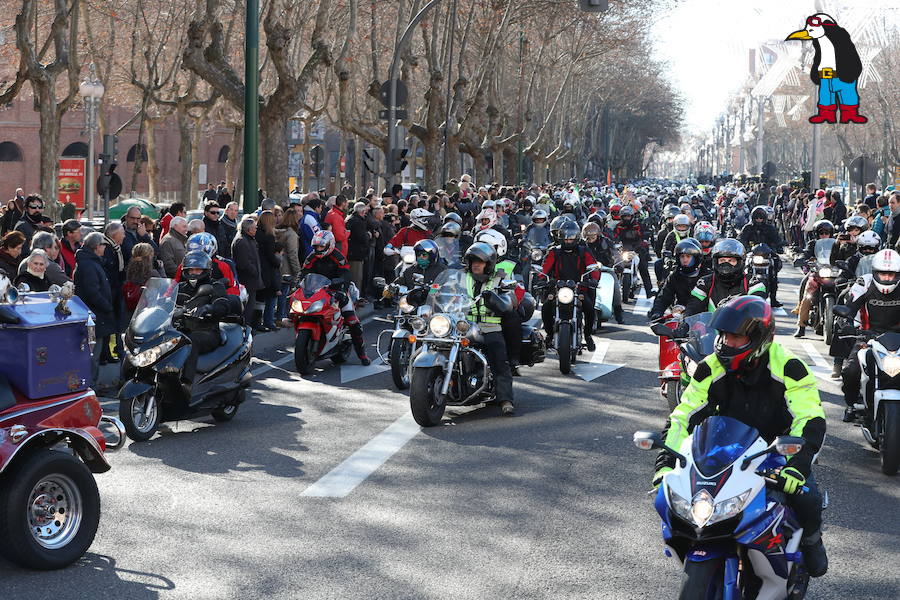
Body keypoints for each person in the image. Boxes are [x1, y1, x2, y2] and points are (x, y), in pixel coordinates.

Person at [653, 295, 828, 577]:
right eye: (722, 335)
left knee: (807, 496)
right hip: (727, 449)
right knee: (687, 502)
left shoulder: (789, 367)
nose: (725, 343)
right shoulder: (711, 367)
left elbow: (810, 418)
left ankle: (811, 541)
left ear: (758, 339)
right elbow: (684, 415)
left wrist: (798, 464)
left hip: (778, 450)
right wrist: (666, 460)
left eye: (735, 337)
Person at [839, 249, 900, 422]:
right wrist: (847, 326)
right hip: (868, 338)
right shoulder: (864, 284)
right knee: (850, 370)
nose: (887, 278)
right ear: (874, 272)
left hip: (898, 339)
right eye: (883, 273)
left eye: (891, 274)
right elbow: (848, 311)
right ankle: (851, 404)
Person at [461, 242, 517, 414]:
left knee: (499, 358)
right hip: (463, 326)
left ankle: (505, 399)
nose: (475, 264)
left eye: (480, 261)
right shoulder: (461, 276)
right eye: (472, 261)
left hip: (489, 327)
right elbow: (443, 291)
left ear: (489, 264)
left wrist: (495, 299)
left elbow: (510, 301)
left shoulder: (500, 279)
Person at [301, 230, 370, 365]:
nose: (318, 249)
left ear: (329, 245)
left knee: (352, 321)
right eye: (316, 247)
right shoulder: (312, 256)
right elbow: (303, 272)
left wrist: (340, 284)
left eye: (321, 246)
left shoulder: (338, 256)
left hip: (338, 290)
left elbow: (346, 275)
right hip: (318, 290)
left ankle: (362, 355)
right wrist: (297, 284)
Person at [176, 251, 235, 397]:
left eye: (198, 269)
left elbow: (223, 305)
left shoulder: (214, 286)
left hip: (207, 331)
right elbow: (165, 302)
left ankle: (186, 384)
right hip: (182, 329)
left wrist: (209, 308)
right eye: (191, 269)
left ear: (206, 270)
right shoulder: (180, 287)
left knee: (191, 342)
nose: (194, 273)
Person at [541, 220, 600, 352]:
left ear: (577, 237)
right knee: (546, 308)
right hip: (558, 289)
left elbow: (593, 267)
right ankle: (550, 335)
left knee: (590, 309)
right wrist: (542, 279)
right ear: (560, 237)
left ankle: (588, 335)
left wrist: (593, 279)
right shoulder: (554, 252)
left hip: (579, 288)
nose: (568, 240)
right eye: (565, 237)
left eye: (571, 237)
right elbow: (544, 269)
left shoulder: (583, 251)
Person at [73, 232, 115, 385]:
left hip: (97, 316)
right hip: (95, 316)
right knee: (93, 355)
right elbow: (92, 292)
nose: (105, 248)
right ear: (97, 247)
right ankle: (91, 387)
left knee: (94, 354)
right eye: (103, 245)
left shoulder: (91, 262)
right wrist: (107, 306)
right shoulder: (89, 264)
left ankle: (93, 385)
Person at [686, 239, 766, 315]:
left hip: (742, 327)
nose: (726, 265)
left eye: (731, 261)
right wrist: (687, 315)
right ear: (715, 262)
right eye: (722, 260)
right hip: (711, 327)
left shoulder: (752, 282)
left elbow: (757, 304)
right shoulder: (704, 282)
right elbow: (694, 304)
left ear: (740, 262)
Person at [648, 238, 704, 321]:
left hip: (703, 318)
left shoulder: (706, 276)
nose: (685, 260)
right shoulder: (675, 276)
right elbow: (664, 296)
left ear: (696, 258)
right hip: (680, 316)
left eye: (688, 256)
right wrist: (657, 312)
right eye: (682, 256)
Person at [739, 206, 784, 306]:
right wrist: (743, 247)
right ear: (753, 218)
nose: (759, 220)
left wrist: (779, 246)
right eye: (757, 218)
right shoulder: (748, 228)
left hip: (768, 254)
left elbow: (777, 239)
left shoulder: (770, 228)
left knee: (774, 273)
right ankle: (741, 294)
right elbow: (741, 239)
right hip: (752, 254)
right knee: (742, 269)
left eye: (761, 218)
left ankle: (773, 299)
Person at [582, 221, 624, 324]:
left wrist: (618, 265)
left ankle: (618, 313)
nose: (590, 239)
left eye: (593, 237)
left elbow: (616, 254)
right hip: (588, 271)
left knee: (616, 288)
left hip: (606, 269)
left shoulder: (606, 242)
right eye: (588, 237)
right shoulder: (581, 244)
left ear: (598, 235)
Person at [613, 205, 654, 297]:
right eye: (624, 216)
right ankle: (613, 291)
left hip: (637, 249)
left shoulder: (638, 225)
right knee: (614, 266)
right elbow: (614, 236)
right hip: (623, 249)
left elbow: (643, 236)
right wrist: (614, 244)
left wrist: (642, 244)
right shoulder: (619, 226)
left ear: (632, 216)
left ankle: (649, 290)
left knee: (643, 267)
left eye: (628, 216)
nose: (626, 218)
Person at [232, 216, 264, 326]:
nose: (256, 229)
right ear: (248, 229)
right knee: (248, 306)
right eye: (255, 228)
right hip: (247, 280)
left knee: (251, 304)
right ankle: (245, 327)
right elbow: (243, 263)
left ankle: (248, 325)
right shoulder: (242, 241)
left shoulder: (248, 239)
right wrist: (254, 271)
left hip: (251, 279)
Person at [255, 210, 282, 331]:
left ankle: (257, 321)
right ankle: (268, 321)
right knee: (270, 297)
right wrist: (278, 262)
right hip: (267, 270)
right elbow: (270, 255)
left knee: (258, 298)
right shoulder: (269, 236)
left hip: (258, 267)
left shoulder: (257, 234)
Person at [345, 201, 369, 294]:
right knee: (356, 278)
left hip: (352, 252)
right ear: (362, 212)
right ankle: (355, 298)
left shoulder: (351, 218)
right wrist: (368, 235)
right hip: (356, 253)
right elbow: (361, 237)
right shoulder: (358, 221)